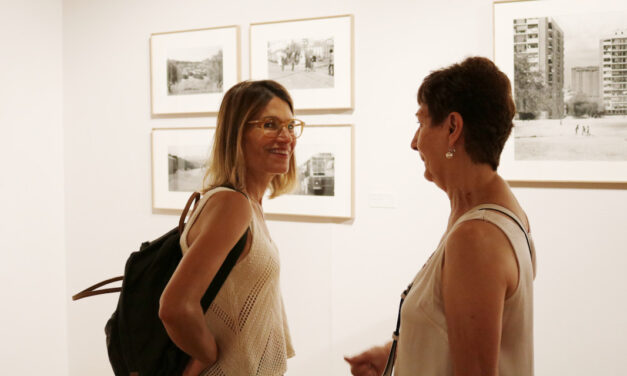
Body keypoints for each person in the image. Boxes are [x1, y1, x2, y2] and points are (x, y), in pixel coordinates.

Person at [345, 57, 536, 376]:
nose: (413, 142)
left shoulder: (478, 237)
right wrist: (399, 355)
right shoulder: (497, 215)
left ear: (452, 128)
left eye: (420, 123)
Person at [159, 80, 304, 376]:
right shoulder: (232, 204)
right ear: (237, 134)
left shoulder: (249, 204)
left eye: (290, 126)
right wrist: (207, 354)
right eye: (269, 124)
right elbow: (175, 306)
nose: (285, 137)